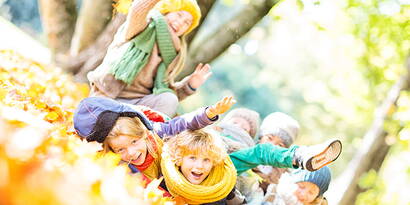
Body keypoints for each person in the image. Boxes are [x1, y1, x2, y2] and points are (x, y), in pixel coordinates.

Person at [87, 0, 211, 116]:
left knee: (169, 99)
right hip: (108, 95)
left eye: (187, 23)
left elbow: (164, 92)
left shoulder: (174, 53)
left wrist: (189, 86)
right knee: (102, 124)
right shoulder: (143, 26)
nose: (180, 23)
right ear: (167, 10)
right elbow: (137, 10)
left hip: (138, 105)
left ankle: (142, 131)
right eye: (179, 15)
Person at [73, 96, 235, 180]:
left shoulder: (154, 135)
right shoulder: (120, 169)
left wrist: (209, 113)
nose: (131, 152)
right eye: (120, 149)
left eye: (134, 142)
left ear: (142, 133)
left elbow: (180, 124)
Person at [160, 129, 342, 204]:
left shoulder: (221, 171)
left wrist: (296, 157)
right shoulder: (165, 172)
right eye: (193, 158)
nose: (199, 166)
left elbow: (259, 153)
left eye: (206, 160)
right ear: (179, 159)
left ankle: (301, 155)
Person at [253, 112, 301, 198]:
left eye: (280, 145)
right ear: (261, 137)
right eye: (269, 138)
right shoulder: (245, 152)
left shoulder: (284, 177)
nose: (272, 146)